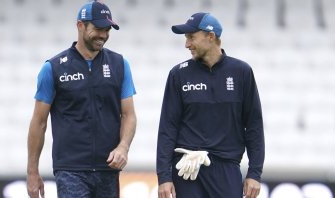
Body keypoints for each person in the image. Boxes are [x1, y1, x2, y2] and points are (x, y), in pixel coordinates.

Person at [26, 1, 137, 197]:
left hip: (108, 169)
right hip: (70, 170)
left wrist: (123, 147)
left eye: (107, 29)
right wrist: (32, 172)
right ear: (80, 25)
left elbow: (129, 115)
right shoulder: (53, 68)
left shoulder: (120, 64)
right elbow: (39, 122)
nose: (103, 35)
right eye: (98, 28)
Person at [156, 12, 265, 198]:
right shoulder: (178, 74)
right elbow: (167, 128)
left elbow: (253, 125)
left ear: (210, 36)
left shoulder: (242, 72)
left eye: (191, 37)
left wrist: (255, 173)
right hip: (187, 168)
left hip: (227, 169)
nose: (187, 44)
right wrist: (164, 177)